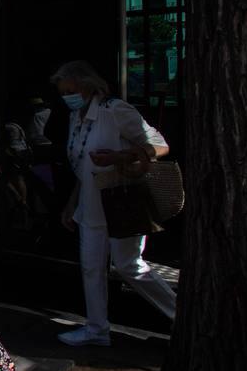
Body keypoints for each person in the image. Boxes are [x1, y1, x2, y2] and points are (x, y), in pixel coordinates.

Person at [51, 60, 176, 347]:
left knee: (128, 265)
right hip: (90, 205)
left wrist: (120, 157)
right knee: (91, 267)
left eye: (70, 90)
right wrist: (72, 204)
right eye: (63, 92)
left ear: (85, 87)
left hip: (122, 201)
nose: (66, 97)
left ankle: (178, 313)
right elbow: (82, 167)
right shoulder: (76, 118)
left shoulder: (115, 110)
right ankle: (97, 329)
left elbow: (160, 145)